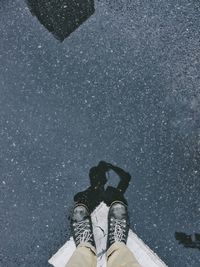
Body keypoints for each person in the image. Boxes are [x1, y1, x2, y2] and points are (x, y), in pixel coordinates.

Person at [66, 161, 141, 267]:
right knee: (122, 257)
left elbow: (126, 178)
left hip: (99, 196)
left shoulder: (98, 192)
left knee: (80, 258)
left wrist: (112, 168)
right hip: (99, 196)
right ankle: (116, 246)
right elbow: (126, 178)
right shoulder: (97, 192)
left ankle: (85, 247)